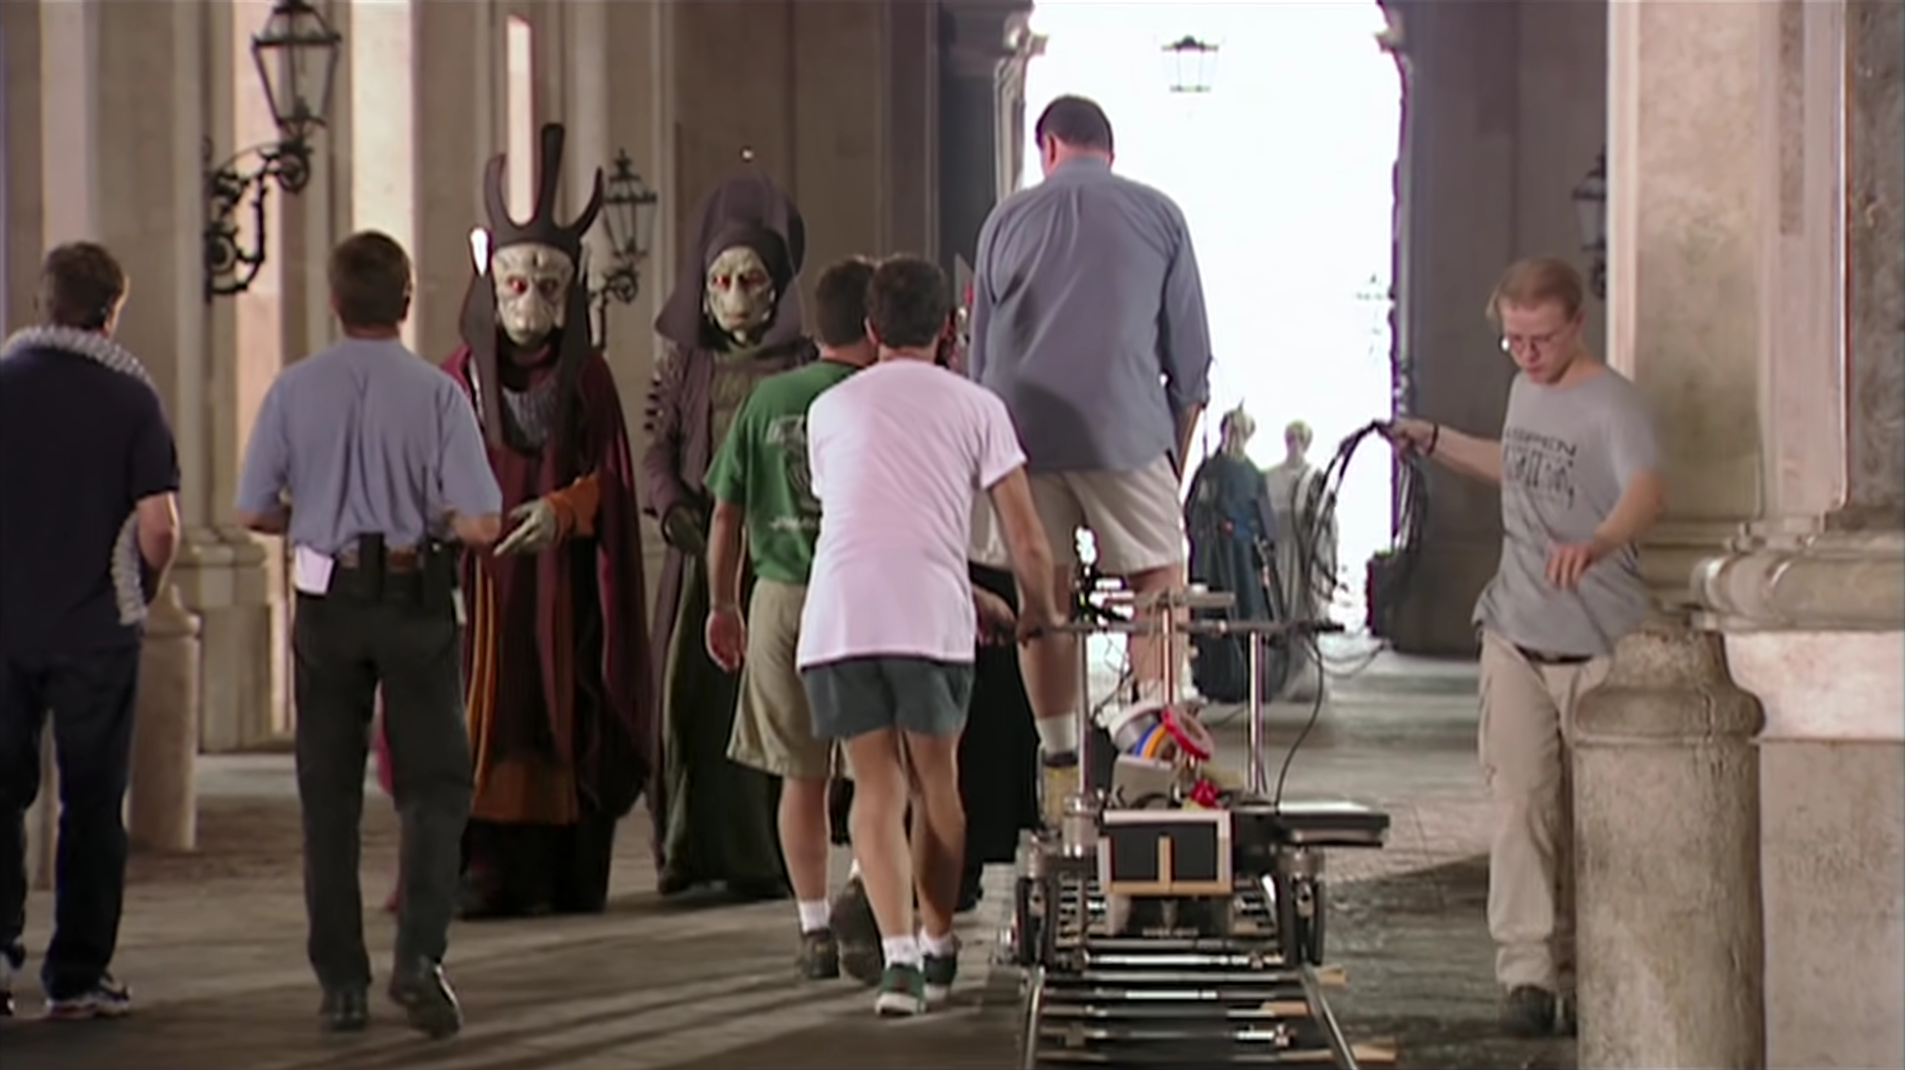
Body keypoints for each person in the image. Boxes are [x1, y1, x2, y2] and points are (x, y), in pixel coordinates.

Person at [1384, 256, 1664, 1039]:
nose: (1527, 354)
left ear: (1576, 322)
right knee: (1518, 806)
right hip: (1513, 632)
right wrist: (1434, 440)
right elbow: (1514, 465)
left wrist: (1597, 541)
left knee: (1596, 819)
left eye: (1541, 338)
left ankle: (1595, 970)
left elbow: (1647, 489)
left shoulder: (1613, 405)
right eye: (1513, 340)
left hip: (1598, 645)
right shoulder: (1523, 389)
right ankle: (1526, 976)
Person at [235, 231, 503, 1038]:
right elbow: (482, 524)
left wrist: (315, 516)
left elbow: (252, 510)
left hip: (327, 603)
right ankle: (417, 961)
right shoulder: (438, 396)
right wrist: (435, 517)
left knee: (328, 797)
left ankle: (341, 985)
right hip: (416, 603)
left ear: (333, 301)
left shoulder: (292, 390)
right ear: (407, 302)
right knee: (433, 790)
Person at [799, 255, 1060, 1017]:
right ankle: (939, 941)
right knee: (937, 787)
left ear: (870, 328)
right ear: (948, 329)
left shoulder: (829, 410)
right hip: (927, 621)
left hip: (840, 615)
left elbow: (868, 523)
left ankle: (899, 963)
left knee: (874, 789)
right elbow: (1027, 540)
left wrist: (965, 590)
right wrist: (1035, 612)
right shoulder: (978, 407)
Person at [425, 122, 655, 920]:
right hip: (484, 586)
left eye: (548, 288)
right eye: (516, 284)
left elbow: (612, 478)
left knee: (562, 711)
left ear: (570, 291)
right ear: (492, 285)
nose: (529, 303)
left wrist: (566, 510)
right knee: (485, 718)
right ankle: (486, 866)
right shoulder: (458, 375)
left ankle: (563, 870)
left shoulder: (587, 376)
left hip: (564, 586)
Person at [967, 94, 1214, 821]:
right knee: (1158, 583)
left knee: (1041, 599)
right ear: (1110, 149)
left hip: (1023, 439)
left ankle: (1057, 761)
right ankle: (1153, 749)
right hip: (1127, 431)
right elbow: (1191, 362)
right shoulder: (1160, 215)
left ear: (1046, 147)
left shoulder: (1004, 220)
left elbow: (981, 361)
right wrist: (1171, 463)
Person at [0, 243, 179, 1021]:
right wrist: (142, 589)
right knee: (93, 800)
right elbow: (159, 526)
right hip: (95, 630)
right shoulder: (130, 397)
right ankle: (75, 975)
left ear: (43, 303)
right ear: (111, 312)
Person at [701, 256, 878, 979]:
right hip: (861, 593)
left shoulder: (768, 399)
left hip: (779, 596)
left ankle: (813, 927)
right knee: (877, 770)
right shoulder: (878, 398)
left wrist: (721, 601)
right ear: (875, 325)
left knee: (798, 775)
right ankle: (864, 890)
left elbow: (725, 513)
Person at [643, 168, 817, 898]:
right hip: (697, 560)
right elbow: (658, 446)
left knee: (773, 704)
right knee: (689, 701)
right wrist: (670, 504)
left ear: (774, 289)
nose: (736, 295)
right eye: (722, 281)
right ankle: (690, 847)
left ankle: (762, 855)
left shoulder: (803, 365)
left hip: (773, 559)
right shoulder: (690, 362)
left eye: (750, 280)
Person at [1263, 419, 1333, 698]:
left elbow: (1329, 523)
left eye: (1299, 439)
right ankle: (1282, 674)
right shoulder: (1270, 477)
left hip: (1307, 559)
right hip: (1281, 557)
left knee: (1305, 614)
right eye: (1290, 438)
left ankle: (1304, 673)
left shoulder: (1316, 480)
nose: (1295, 445)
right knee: (1281, 612)